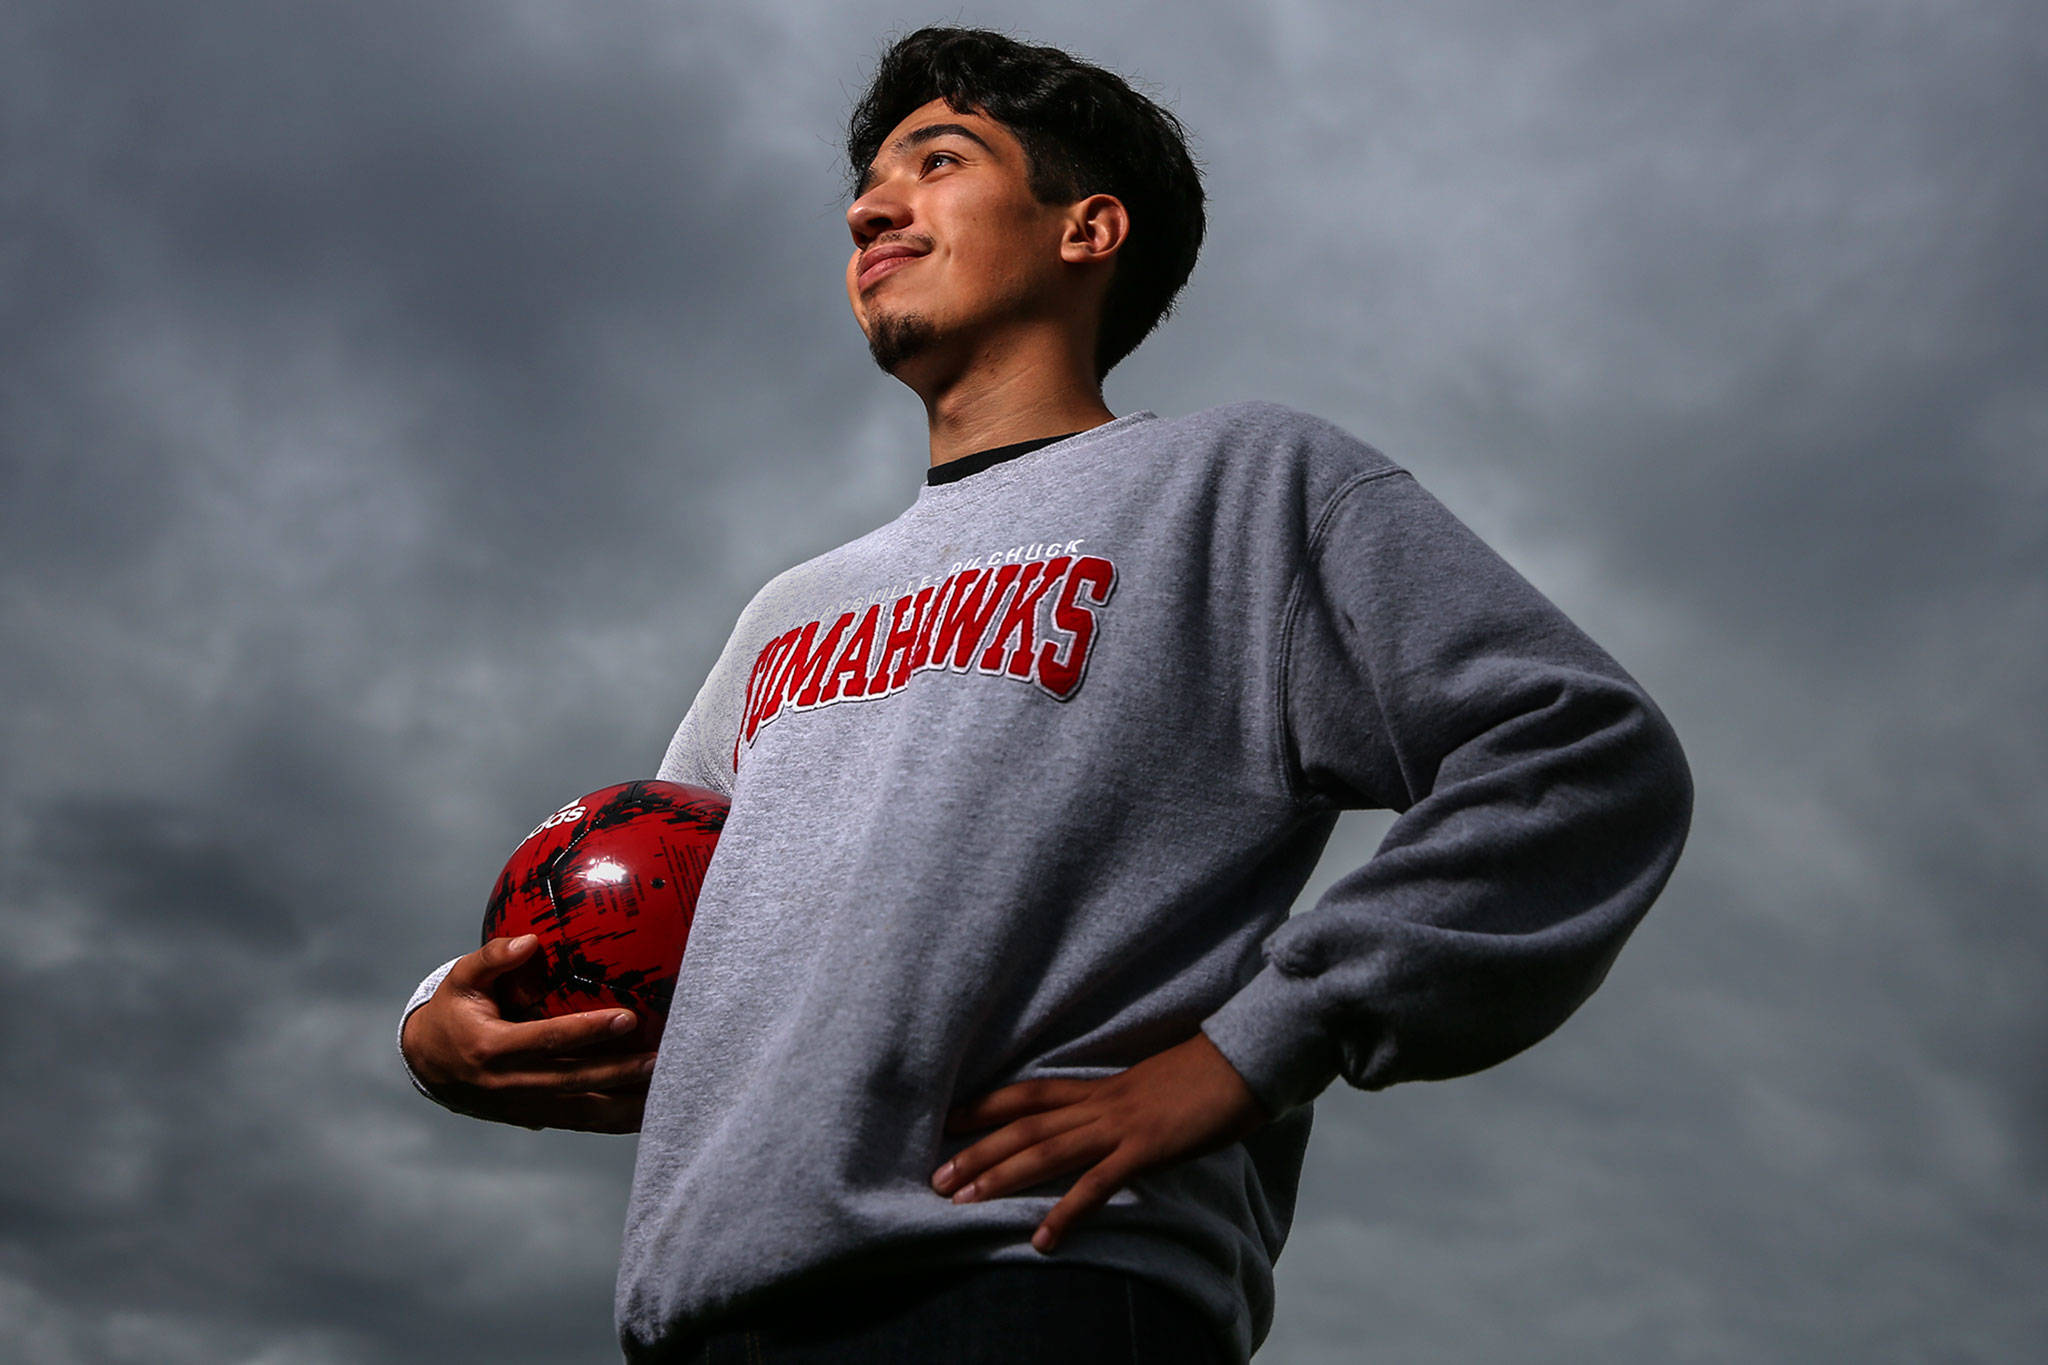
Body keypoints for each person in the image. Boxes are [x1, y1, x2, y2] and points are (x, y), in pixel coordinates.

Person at [397, 25, 1695, 1365]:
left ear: (1089, 228)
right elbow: (676, 933)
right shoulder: (785, 612)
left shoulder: (1243, 486)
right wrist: (441, 1012)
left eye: (936, 161)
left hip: (1038, 1283)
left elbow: (1581, 752)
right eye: (866, 184)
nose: (866, 205)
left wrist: (1259, 1041)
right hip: (709, 1318)